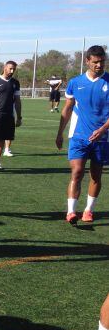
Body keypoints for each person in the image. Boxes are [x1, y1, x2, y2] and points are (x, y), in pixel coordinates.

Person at [55, 45, 109, 225]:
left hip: (102, 138)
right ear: (87, 61)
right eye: (95, 62)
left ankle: (88, 210)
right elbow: (68, 108)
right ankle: (71, 212)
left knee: (95, 176)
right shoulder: (75, 82)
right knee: (77, 172)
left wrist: (102, 130)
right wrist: (60, 133)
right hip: (79, 136)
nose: (99, 65)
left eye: (102, 61)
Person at [0, 61, 22, 170]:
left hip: (9, 114)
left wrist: (19, 117)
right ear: (4, 68)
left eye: (14, 69)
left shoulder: (15, 83)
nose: (12, 71)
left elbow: (17, 100)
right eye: (10, 68)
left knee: (2, 138)